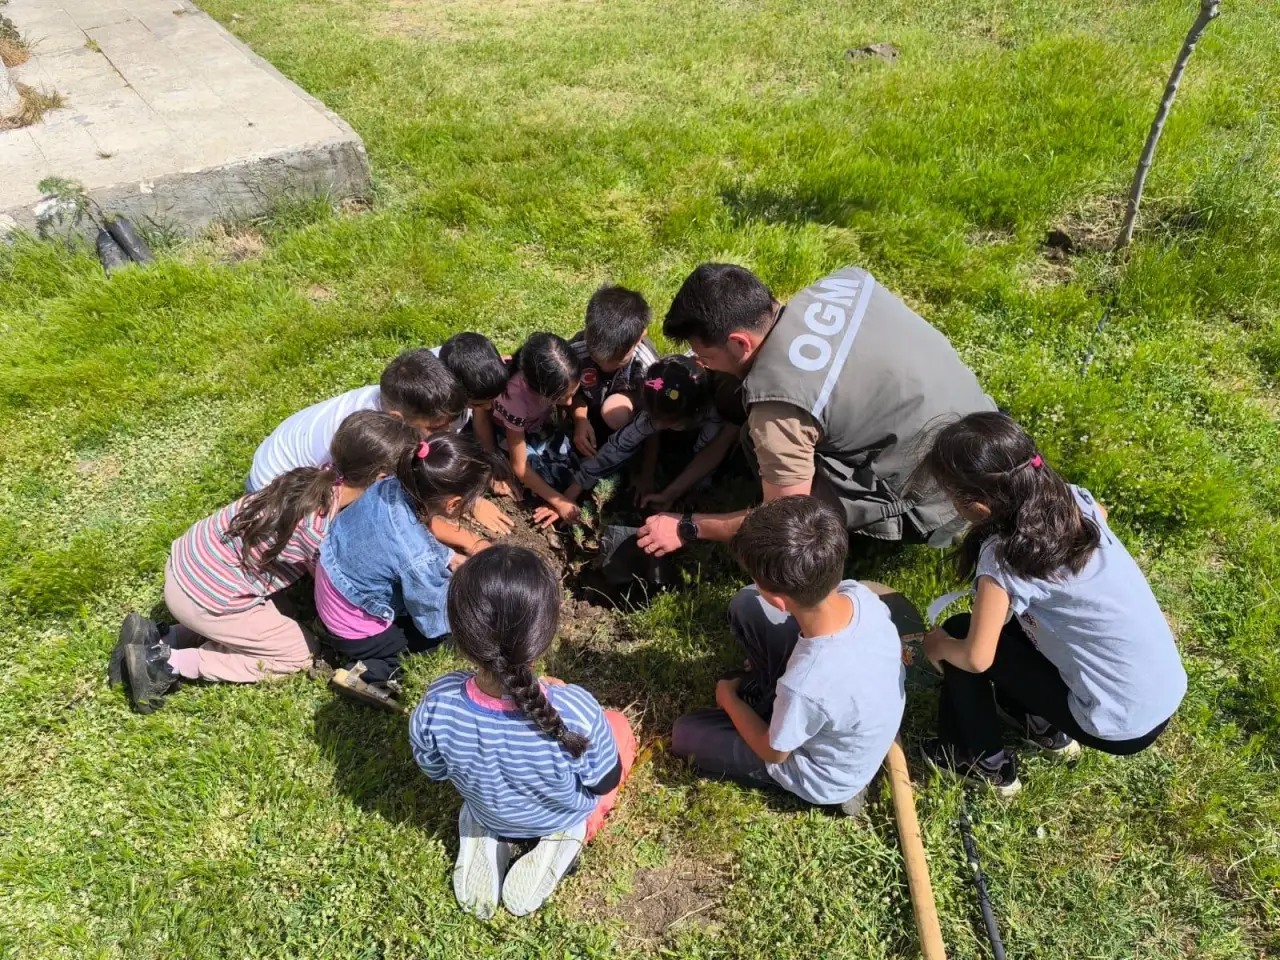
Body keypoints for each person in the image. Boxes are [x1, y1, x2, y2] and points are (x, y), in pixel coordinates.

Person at [637, 263, 995, 557]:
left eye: (708, 357)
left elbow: (784, 520)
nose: (704, 365)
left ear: (739, 342)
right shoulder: (843, 283)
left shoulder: (777, 411)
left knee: (765, 462)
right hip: (988, 433)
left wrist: (687, 526)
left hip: (945, 500)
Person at [915, 412, 1187, 796]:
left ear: (977, 505)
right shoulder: (1074, 500)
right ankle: (1037, 720)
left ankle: (977, 759)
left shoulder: (1005, 560)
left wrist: (938, 645)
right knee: (1016, 623)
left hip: (1116, 723)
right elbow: (1103, 515)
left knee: (961, 632)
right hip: (1159, 693)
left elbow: (977, 658)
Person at [110, 411, 419, 713]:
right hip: (206, 597)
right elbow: (334, 590)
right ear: (381, 478)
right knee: (298, 652)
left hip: (188, 564)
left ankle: (162, 636)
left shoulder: (314, 475)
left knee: (283, 617)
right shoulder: (321, 529)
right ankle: (164, 663)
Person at [409, 546, 637, 918]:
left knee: (486, 810)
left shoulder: (438, 701)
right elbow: (602, 781)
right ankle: (564, 837)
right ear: (545, 633)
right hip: (559, 813)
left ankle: (485, 833)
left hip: (489, 809)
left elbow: (434, 770)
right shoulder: (575, 710)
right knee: (619, 728)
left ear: (463, 637)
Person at [671, 496, 905, 816]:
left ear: (780, 602)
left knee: (685, 733)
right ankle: (771, 697)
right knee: (747, 604)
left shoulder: (805, 684)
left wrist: (729, 699)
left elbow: (773, 751)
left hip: (819, 775)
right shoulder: (860, 595)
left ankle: (833, 791)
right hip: (839, 702)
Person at [248, 347, 513, 540]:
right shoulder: (370, 441)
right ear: (396, 419)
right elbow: (396, 504)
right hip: (277, 497)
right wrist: (465, 517)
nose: (445, 432)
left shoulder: (424, 377)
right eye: (434, 427)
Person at [320, 432, 506, 703]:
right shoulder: (417, 557)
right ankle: (367, 673)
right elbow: (434, 620)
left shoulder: (391, 486)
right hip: (352, 628)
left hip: (330, 584)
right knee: (436, 641)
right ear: (453, 504)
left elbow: (407, 540)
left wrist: (449, 557)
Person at [538, 355, 736, 526]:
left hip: (727, 426)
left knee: (707, 443)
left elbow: (714, 448)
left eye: (666, 424)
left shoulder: (721, 404)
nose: (657, 425)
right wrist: (572, 492)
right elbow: (617, 447)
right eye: (653, 420)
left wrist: (691, 488)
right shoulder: (663, 395)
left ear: (694, 414)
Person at [492, 332, 583, 528]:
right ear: (535, 388)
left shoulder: (556, 375)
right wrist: (560, 502)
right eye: (561, 398)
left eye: (572, 394)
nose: (568, 403)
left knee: (573, 468)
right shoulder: (515, 399)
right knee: (545, 482)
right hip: (510, 433)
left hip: (536, 425)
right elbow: (520, 467)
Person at [569, 285, 660, 458]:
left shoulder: (650, 367)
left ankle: (628, 445)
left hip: (627, 412)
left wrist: (647, 470)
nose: (606, 367)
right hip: (588, 407)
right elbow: (569, 392)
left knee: (615, 412)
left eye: (617, 360)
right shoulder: (576, 350)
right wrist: (580, 419)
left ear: (640, 337)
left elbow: (655, 416)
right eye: (596, 359)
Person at [437, 331, 510, 457]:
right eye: (478, 404)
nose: (489, 407)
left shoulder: (476, 382)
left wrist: (493, 460)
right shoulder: (435, 402)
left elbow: (482, 421)